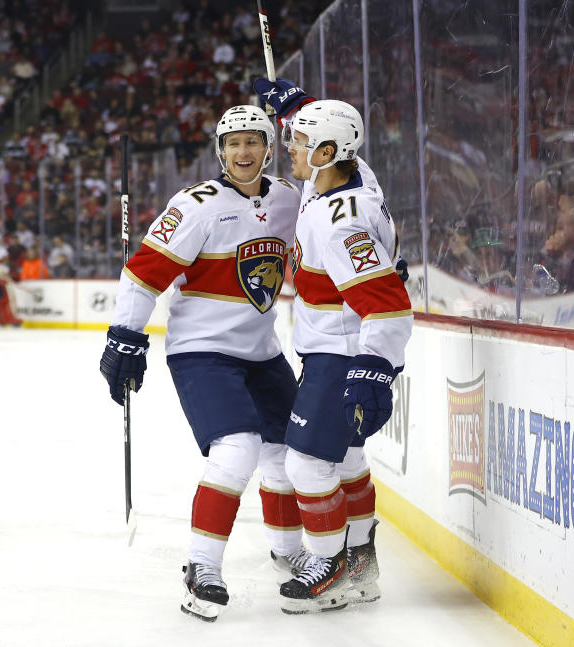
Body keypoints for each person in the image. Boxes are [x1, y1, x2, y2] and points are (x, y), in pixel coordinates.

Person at [99, 105, 303, 621]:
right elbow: (144, 273)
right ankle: (202, 566)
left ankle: (287, 551)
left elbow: (341, 196)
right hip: (203, 350)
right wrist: (124, 335)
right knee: (238, 450)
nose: (243, 152)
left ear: (268, 146)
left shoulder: (289, 198)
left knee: (285, 453)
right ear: (220, 150)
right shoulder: (196, 205)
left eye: (253, 141)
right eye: (233, 144)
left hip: (263, 349)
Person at [255, 78, 413, 613]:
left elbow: (387, 303)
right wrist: (296, 107)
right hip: (333, 348)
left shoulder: (336, 220)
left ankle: (330, 567)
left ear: (326, 154)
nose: (288, 148)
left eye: (298, 142)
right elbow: (329, 142)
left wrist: (372, 368)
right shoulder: (346, 179)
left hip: (341, 355)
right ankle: (362, 564)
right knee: (345, 460)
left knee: (304, 467)